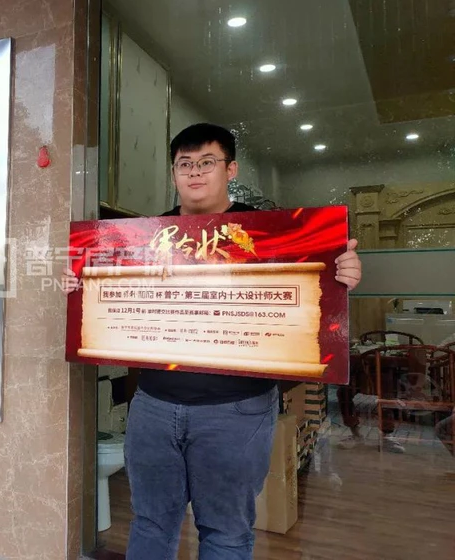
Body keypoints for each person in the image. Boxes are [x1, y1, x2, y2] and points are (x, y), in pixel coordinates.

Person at [62, 123, 362, 560]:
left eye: (207, 162)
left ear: (230, 169)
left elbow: (312, 294)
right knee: (150, 524)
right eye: (185, 164)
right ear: (173, 173)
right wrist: (78, 284)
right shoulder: (144, 238)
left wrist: (341, 276)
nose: (195, 172)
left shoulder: (271, 233)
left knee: (226, 533)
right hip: (154, 406)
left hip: (236, 411)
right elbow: (102, 296)